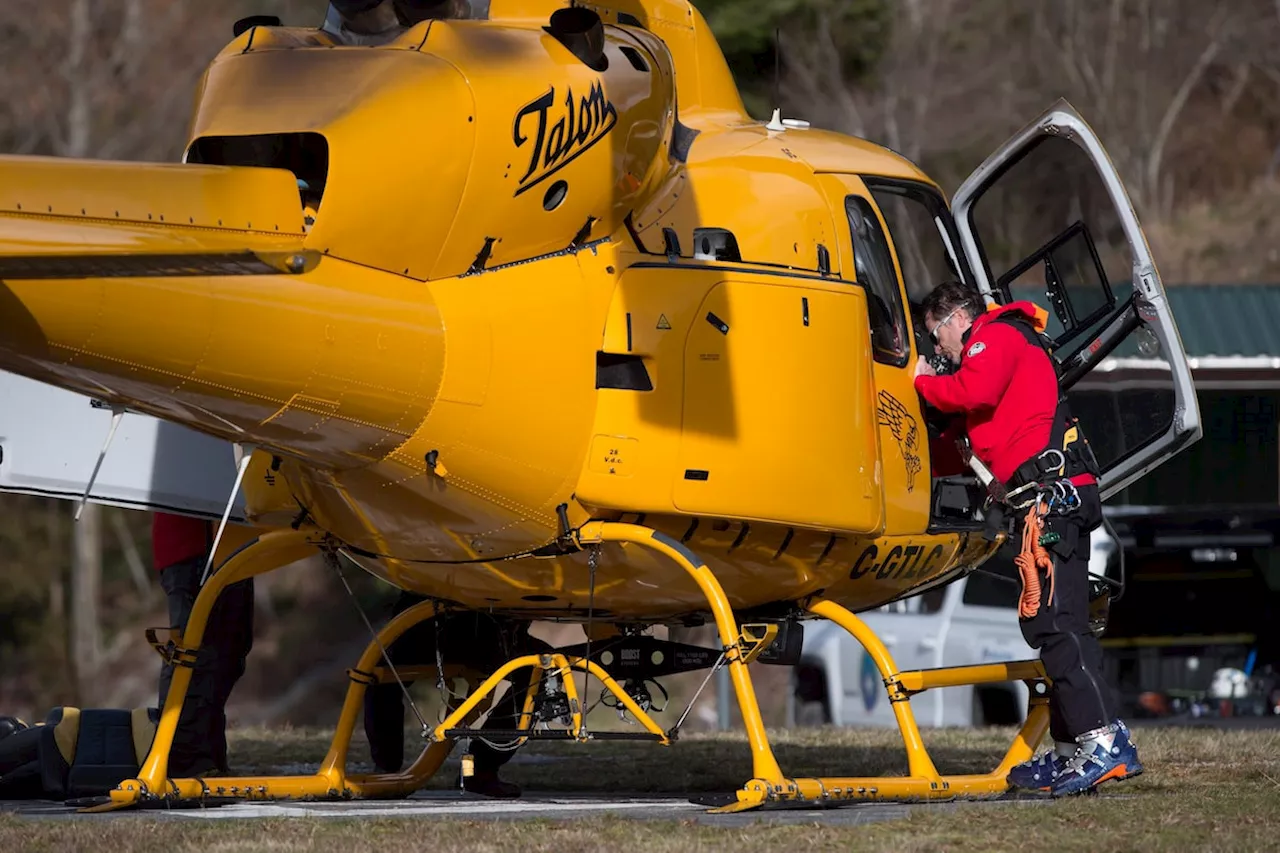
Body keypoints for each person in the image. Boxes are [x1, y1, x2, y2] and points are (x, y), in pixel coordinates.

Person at [912, 280, 1142, 797]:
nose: (937, 352)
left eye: (936, 338)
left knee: (1057, 626)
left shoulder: (992, 337)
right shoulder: (1004, 347)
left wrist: (922, 382)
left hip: (1052, 500)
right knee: (1056, 625)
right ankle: (1071, 752)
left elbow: (974, 391)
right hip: (1049, 500)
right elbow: (971, 432)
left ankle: (1103, 742)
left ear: (955, 318)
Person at [362, 591, 550, 798]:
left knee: (537, 669)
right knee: (378, 677)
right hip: (427, 625)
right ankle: (386, 768)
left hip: (490, 627)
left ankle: (482, 769)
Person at [153, 512, 256, 778]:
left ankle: (208, 755)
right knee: (194, 656)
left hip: (233, 545)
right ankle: (183, 758)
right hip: (193, 547)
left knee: (231, 654)